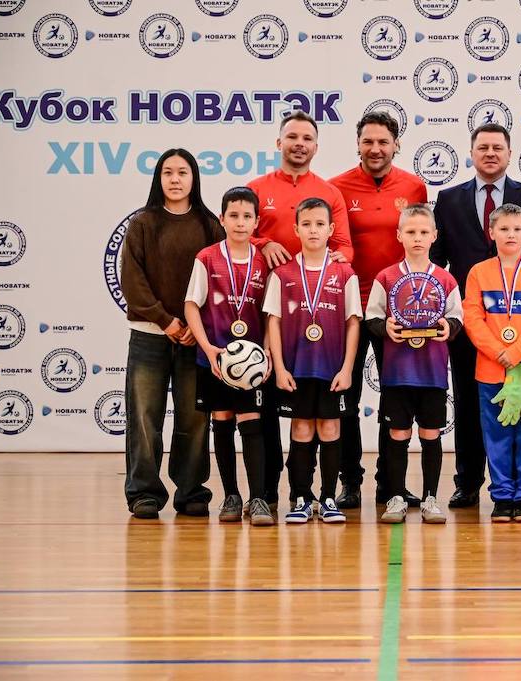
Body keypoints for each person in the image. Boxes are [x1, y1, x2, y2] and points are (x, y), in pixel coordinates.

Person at [430, 123, 521, 509]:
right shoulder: (448, 199)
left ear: (510, 153)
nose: (490, 153)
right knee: (468, 404)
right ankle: (467, 482)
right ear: (472, 153)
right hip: (470, 324)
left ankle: (518, 489)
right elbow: (437, 262)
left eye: (498, 147)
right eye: (483, 147)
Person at [247, 109, 354, 511]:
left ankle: (320, 493)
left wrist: (334, 265)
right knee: (270, 407)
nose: (299, 144)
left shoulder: (328, 192)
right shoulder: (257, 188)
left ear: (316, 146)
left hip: (313, 320)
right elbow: (239, 231)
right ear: (279, 142)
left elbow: (345, 247)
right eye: (292, 137)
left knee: (319, 416)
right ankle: (269, 492)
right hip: (259, 306)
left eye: (307, 138)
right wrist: (263, 243)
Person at [330, 110, 428, 509]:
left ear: (396, 144)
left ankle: (392, 484)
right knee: (346, 398)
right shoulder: (336, 188)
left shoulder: (414, 186)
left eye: (383, 142)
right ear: (358, 144)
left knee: (396, 400)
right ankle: (350, 482)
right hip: (351, 309)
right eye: (368, 141)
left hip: (400, 312)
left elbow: (422, 245)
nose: (375, 148)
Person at [122, 148, 223, 519]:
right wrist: (167, 322)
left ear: (194, 178)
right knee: (144, 416)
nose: (175, 179)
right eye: (168, 172)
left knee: (194, 418)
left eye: (183, 172)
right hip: (149, 335)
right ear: (159, 178)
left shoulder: (210, 226)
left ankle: (192, 490)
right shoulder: (143, 223)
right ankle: (144, 492)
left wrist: (197, 328)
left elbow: (220, 280)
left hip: (196, 339)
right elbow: (133, 281)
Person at [264, 198, 361, 524]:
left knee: (331, 427)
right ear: (296, 229)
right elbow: (274, 322)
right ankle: (302, 497)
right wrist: (279, 368)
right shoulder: (283, 274)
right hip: (296, 369)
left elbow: (353, 322)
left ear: (331, 229)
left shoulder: (344, 273)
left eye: (320, 224)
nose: (313, 230)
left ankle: (329, 497)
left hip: (332, 369)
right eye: (306, 224)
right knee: (302, 428)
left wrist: (347, 368)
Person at [367, 205, 464, 524]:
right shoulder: (386, 277)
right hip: (397, 374)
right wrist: (385, 328)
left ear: (434, 236)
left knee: (430, 433)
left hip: (432, 373)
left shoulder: (446, 279)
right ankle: (396, 496)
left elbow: (457, 317)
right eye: (411, 232)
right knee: (397, 433)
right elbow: (372, 317)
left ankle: (430, 498)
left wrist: (449, 327)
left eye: (424, 232)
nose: (417, 238)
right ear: (399, 236)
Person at [183, 186, 273, 526]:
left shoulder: (263, 262)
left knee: (252, 421)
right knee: (221, 420)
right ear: (221, 219)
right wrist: (207, 348)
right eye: (233, 216)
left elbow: (270, 312)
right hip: (217, 360)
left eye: (247, 216)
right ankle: (231, 496)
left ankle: (259, 498)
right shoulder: (207, 258)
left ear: (256, 222)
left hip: (252, 363)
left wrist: (267, 351)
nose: (240, 222)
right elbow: (191, 305)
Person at [463, 204, 521, 523]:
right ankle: (502, 496)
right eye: (503, 229)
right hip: (491, 369)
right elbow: (473, 318)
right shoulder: (478, 272)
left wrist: (516, 352)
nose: (510, 235)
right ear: (491, 232)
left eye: (517, 229)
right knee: (497, 435)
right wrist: (497, 351)